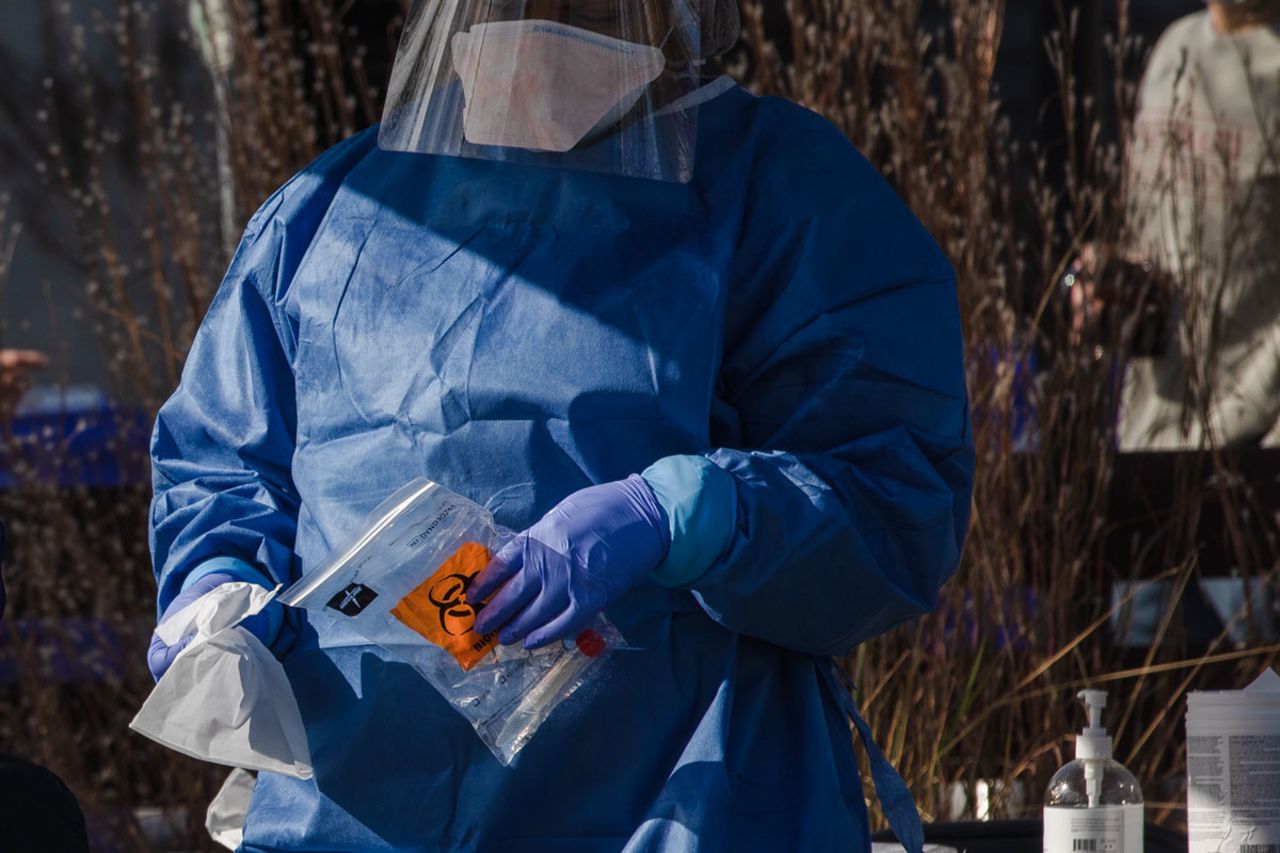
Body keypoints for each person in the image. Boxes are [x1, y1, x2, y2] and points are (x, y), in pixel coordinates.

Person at [147, 1, 974, 849]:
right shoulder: (330, 213)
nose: (537, 23)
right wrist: (216, 591)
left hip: (680, 802)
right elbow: (224, 462)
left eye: (581, 4)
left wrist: (680, 514)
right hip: (356, 807)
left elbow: (896, 488)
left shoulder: (780, 190)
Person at [1115, 0, 1280, 450]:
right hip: (1148, 437)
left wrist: (1228, 431)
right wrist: (1107, 288)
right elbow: (1150, 234)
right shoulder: (1175, 46)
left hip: (1247, 467)